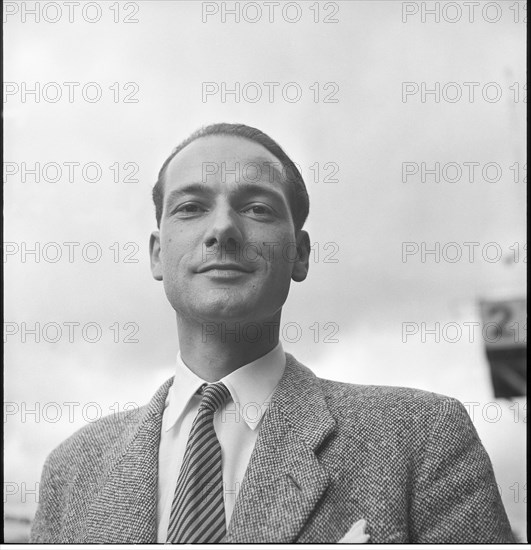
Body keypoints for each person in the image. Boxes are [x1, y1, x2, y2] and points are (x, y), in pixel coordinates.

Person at [30, 123, 514, 543]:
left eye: (257, 208)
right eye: (191, 207)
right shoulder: (70, 474)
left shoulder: (422, 437)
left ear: (300, 254)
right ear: (157, 254)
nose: (223, 229)